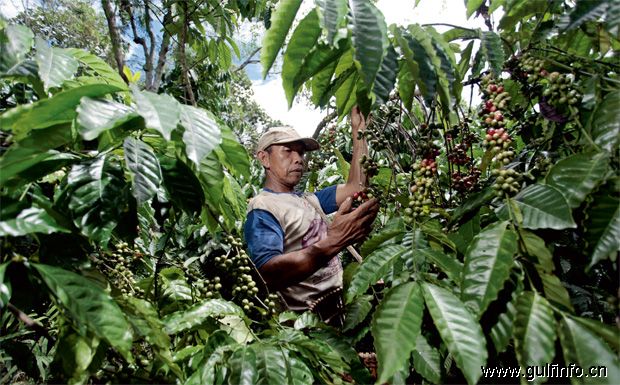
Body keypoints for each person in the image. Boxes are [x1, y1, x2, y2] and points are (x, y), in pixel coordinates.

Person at [243, 106, 379, 325]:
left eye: (301, 153)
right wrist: (333, 242)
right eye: (287, 151)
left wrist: (359, 130)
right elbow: (266, 274)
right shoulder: (264, 207)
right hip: (306, 326)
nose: (298, 159)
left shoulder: (309, 200)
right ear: (264, 158)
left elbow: (357, 186)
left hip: (339, 315)